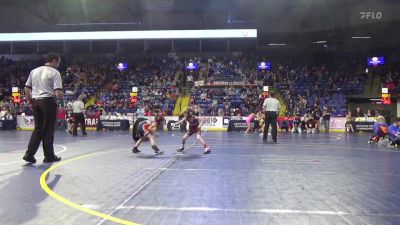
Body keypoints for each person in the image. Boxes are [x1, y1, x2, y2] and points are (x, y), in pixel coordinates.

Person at [23, 52, 64, 163]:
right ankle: (49, 156)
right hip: (48, 102)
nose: (59, 64)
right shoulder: (55, 72)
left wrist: (31, 101)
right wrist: (62, 104)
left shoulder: (34, 71)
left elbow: (27, 89)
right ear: (54, 60)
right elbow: (58, 92)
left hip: (36, 101)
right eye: (58, 62)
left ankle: (29, 154)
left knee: (38, 129)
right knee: (48, 129)